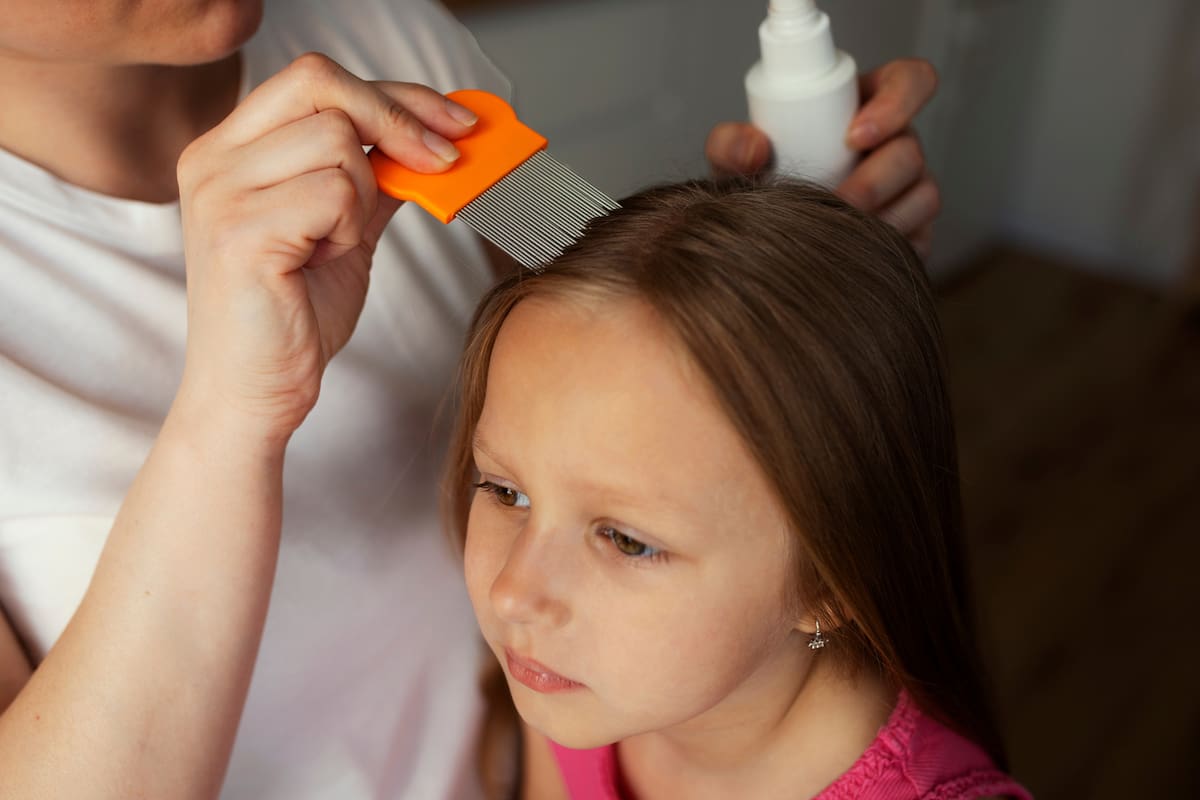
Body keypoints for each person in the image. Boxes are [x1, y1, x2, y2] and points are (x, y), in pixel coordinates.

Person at [0, 1, 940, 797]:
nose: (512, 591)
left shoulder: (387, 39)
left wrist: (791, 278)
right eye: (505, 494)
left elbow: (604, 307)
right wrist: (233, 413)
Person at [446, 178, 1032, 800]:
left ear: (827, 583)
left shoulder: (584, 663)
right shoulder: (570, 682)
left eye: (624, 540)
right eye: (507, 492)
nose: (514, 594)